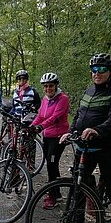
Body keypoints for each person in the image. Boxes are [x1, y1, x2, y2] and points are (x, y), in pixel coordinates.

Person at [59, 53, 111, 223]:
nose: (96, 73)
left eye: (101, 70)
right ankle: (78, 222)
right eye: (93, 70)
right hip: (84, 148)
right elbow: (79, 115)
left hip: (107, 149)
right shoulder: (89, 91)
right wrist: (71, 132)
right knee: (77, 184)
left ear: (109, 72)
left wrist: (98, 130)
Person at [30, 72, 69, 209]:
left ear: (55, 85)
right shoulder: (45, 99)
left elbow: (55, 118)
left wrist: (40, 127)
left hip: (58, 137)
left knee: (52, 164)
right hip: (47, 136)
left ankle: (53, 197)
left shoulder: (62, 99)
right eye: (45, 86)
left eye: (50, 86)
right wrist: (30, 127)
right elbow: (40, 116)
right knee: (51, 164)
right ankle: (56, 192)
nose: (48, 89)